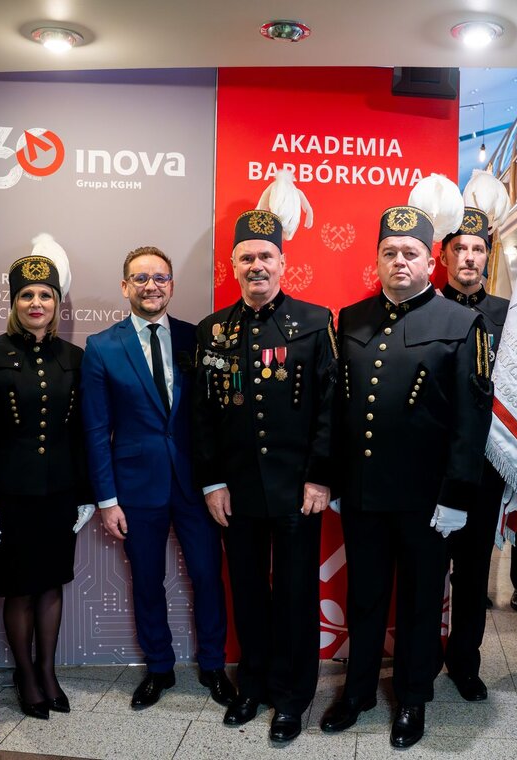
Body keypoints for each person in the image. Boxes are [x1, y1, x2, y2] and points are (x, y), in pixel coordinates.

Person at [321, 200, 492, 749]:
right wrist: (337, 481)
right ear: (376, 259)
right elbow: (339, 408)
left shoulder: (462, 323)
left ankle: (413, 698)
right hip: (365, 494)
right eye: (389, 252)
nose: (400, 261)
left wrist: (457, 494)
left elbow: (472, 419)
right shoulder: (351, 319)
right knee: (366, 597)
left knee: (420, 603)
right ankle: (358, 693)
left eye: (411, 252)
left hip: (427, 500)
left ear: (430, 260)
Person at [193, 208, 336, 744]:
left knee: (295, 595)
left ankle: (292, 697)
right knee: (248, 592)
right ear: (233, 265)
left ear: (283, 262)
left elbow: (329, 407)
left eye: (266, 256)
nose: (257, 265)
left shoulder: (315, 322)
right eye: (247, 257)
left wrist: (320, 477)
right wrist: (212, 482)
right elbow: (203, 416)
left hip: (298, 490)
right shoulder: (213, 331)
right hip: (237, 491)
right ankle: (251, 685)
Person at [80, 246, 233, 711]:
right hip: (134, 488)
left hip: (196, 484)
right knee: (147, 581)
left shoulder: (197, 338)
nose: (151, 286)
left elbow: (215, 415)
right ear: (125, 286)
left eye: (160, 278)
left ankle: (213, 665)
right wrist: (107, 499)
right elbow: (95, 429)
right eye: (141, 278)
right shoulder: (102, 346)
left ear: (171, 285)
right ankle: (159, 668)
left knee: (208, 576)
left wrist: (219, 478)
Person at [0, 249, 95, 720]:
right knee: (20, 589)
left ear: (57, 302)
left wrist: (86, 494)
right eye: (26, 295)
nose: (36, 303)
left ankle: (47, 672)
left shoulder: (74, 358)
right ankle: (26, 674)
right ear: (13, 302)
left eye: (45, 295)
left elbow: (81, 433)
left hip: (59, 493)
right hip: (10, 496)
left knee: (51, 585)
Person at [436, 207, 506, 702]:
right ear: (442, 256)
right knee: (425, 570)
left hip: (485, 466)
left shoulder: (508, 314)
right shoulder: (425, 306)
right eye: (459, 247)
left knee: (473, 571)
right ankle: (421, 658)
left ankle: (465, 662)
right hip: (429, 466)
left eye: (477, 248)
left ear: (487, 257)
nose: (468, 256)